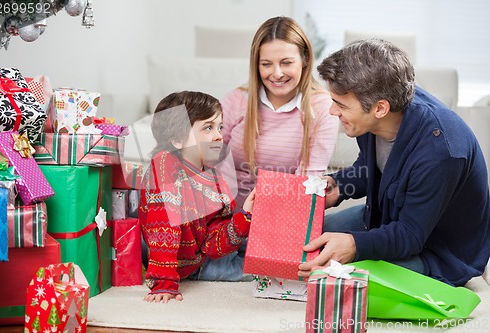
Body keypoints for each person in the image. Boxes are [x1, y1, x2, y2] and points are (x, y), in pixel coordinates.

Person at [298, 39, 490, 287]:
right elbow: (371, 165)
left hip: (435, 250)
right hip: (388, 216)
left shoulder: (441, 152)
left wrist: (355, 245)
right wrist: (338, 184)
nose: (333, 112)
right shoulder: (379, 110)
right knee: (308, 239)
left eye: (341, 104)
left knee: (332, 276)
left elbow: (410, 236)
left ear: (380, 108)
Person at [139, 91, 255, 303]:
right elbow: (162, 227)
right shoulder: (164, 164)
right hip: (184, 265)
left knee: (259, 240)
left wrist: (245, 216)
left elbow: (213, 244)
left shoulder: (214, 177)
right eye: (208, 128)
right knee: (253, 271)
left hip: (204, 254)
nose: (219, 135)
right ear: (176, 139)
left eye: (220, 127)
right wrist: (164, 282)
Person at [221, 16, 339, 210]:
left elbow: (309, 182)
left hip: (283, 220)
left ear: (304, 60)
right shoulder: (237, 100)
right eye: (266, 64)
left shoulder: (322, 106)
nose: (276, 74)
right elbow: (207, 162)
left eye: (286, 63)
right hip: (226, 222)